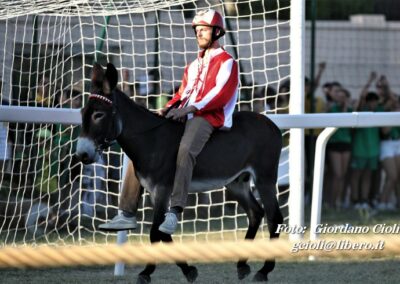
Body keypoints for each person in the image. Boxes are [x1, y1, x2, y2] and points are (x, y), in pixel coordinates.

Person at [156, 9, 239, 235]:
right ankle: (126, 209)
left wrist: (191, 108)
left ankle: (174, 210)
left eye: (203, 29)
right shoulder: (192, 66)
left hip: (208, 117)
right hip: (186, 113)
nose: (199, 34)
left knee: (185, 150)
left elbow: (220, 94)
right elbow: (181, 93)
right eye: (197, 30)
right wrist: (167, 108)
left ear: (217, 31)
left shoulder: (228, 62)